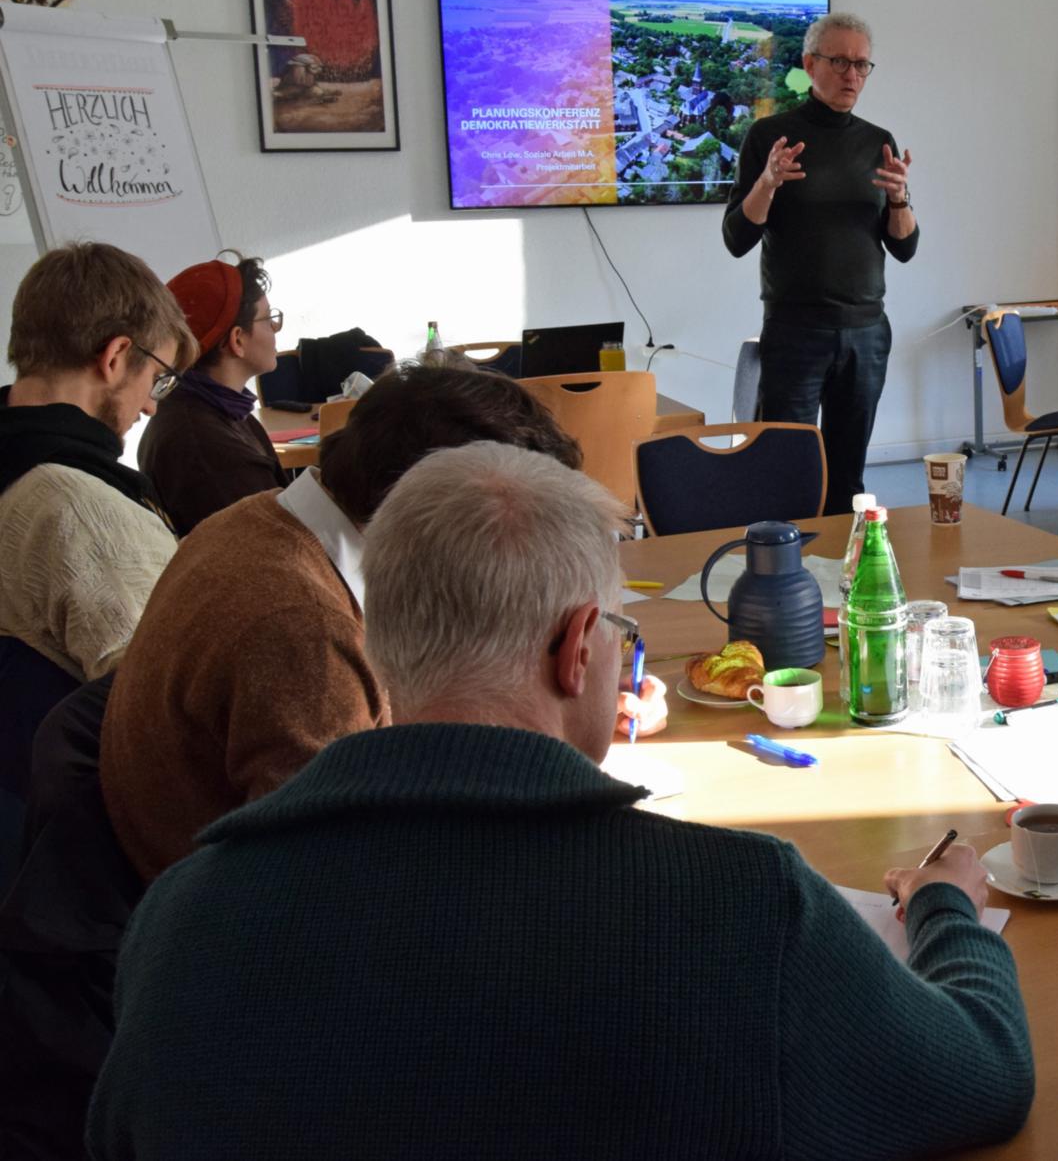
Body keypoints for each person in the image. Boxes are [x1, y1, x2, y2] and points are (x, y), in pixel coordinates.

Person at [88, 442, 1035, 1159]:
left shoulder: (182, 919)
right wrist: (948, 903)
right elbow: (985, 1076)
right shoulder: (742, 909)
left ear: (380, 638)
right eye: (622, 631)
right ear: (578, 647)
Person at [99, 361, 667, 881]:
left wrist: (549, 698)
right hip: (231, 926)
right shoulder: (306, 632)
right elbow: (340, 877)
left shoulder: (265, 517)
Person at [723, 11, 918, 514]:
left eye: (861, 64)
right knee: (788, 466)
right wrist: (766, 184)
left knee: (848, 472)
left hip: (867, 330)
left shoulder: (879, 141)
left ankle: (841, 577)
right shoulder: (771, 137)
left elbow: (904, 247)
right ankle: (787, 577)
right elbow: (737, 238)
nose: (852, 75)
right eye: (839, 62)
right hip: (795, 330)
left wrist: (900, 199)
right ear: (810, 64)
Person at [0, 242, 196, 682]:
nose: (151, 408)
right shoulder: (81, 511)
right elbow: (170, 703)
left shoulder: (17, 463)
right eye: (157, 379)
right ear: (116, 356)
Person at [136, 251, 288, 535]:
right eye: (269, 319)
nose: (276, 328)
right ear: (237, 340)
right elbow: (275, 551)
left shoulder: (214, 412)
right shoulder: (206, 448)